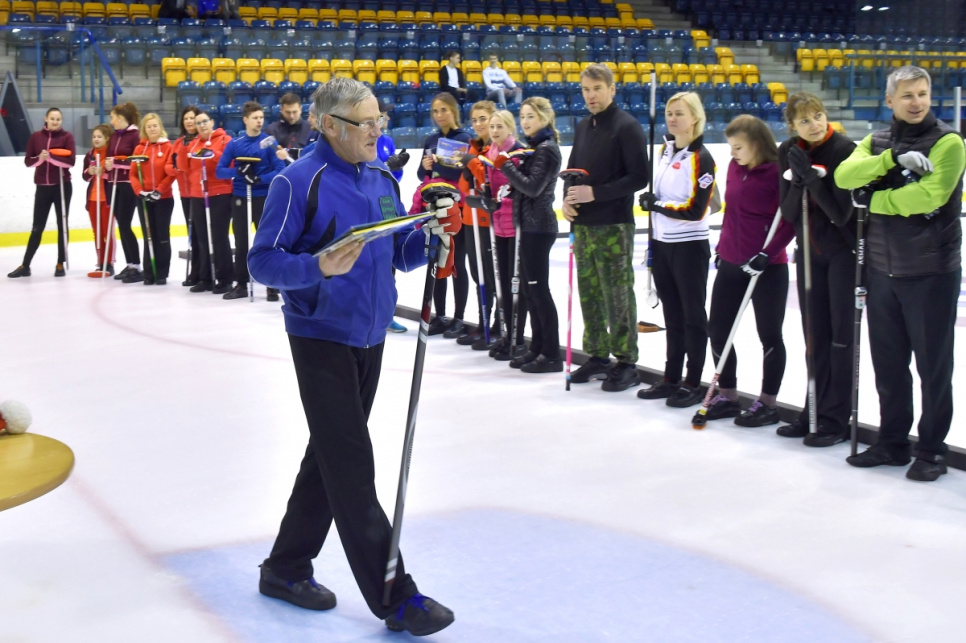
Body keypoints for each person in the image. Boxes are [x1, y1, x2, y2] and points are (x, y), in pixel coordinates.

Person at [248, 77, 456, 637]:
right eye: (365, 123)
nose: (376, 131)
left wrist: (432, 233)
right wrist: (316, 266)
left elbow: (398, 254)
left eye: (378, 120)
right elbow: (262, 262)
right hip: (320, 336)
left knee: (330, 459)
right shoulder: (298, 182)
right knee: (352, 469)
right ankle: (397, 598)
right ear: (329, 125)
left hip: (371, 336)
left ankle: (286, 567)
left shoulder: (382, 176)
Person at [835, 65, 965, 482]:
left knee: (933, 368)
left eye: (923, 94)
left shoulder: (948, 142)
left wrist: (871, 200)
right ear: (889, 100)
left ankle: (931, 450)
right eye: (907, 95)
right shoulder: (877, 141)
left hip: (931, 271)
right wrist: (889, 160)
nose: (917, 102)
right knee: (889, 366)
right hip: (881, 269)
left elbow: (928, 196)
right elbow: (843, 176)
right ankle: (892, 443)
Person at [776, 92, 858, 446]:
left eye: (819, 115)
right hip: (809, 254)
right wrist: (797, 183)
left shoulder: (844, 150)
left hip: (842, 255)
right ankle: (813, 411)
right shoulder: (787, 150)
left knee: (840, 340)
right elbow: (789, 213)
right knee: (814, 339)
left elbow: (841, 214)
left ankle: (836, 418)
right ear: (792, 126)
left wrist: (812, 180)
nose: (815, 125)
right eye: (805, 120)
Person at [701, 115, 794, 425]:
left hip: (767, 268)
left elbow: (789, 221)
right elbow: (732, 214)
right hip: (731, 262)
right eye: (730, 147)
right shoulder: (733, 168)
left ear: (756, 144)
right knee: (718, 331)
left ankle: (768, 404)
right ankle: (727, 396)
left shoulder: (778, 173)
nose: (733, 153)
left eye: (738, 147)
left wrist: (768, 254)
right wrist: (722, 246)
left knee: (769, 335)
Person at [563, 63, 649, 392]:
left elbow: (639, 177)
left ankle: (626, 361)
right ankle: (598, 355)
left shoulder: (627, 126)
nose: (591, 95)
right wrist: (567, 199)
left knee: (617, 293)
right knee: (590, 293)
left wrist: (596, 193)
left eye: (597, 88)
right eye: (586, 89)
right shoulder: (583, 126)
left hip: (614, 225)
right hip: (584, 225)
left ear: (612, 89)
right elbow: (572, 171)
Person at [636, 92, 715, 405]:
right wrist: (652, 204)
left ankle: (693, 382)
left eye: (679, 113)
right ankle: (671, 377)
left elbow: (696, 209)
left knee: (693, 316)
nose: (672, 118)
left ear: (694, 118)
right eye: (669, 113)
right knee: (672, 314)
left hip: (689, 246)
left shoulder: (702, 158)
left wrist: (657, 205)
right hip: (663, 244)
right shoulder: (664, 151)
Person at [497, 97, 563, 373]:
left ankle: (551, 353)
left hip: (538, 227)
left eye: (531, 117)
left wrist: (506, 166)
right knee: (530, 290)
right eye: (522, 117)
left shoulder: (547, 149)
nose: (524, 122)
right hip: (528, 225)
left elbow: (533, 187)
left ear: (544, 118)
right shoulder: (535, 148)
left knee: (538, 290)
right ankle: (537, 347)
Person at [215, 101, 286, 301]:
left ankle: (271, 286)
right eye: (255, 118)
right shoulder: (235, 144)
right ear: (245, 120)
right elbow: (219, 171)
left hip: (263, 198)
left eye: (261, 117)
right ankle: (241, 284)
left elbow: (279, 170)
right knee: (241, 242)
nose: (259, 121)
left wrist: (258, 179)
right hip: (240, 197)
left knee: (267, 241)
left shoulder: (269, 142)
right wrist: (237, 171)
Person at [415, 92, 473, 336]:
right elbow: (422, 175)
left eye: (444, 110)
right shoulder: (431, 139)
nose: (439, 115)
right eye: (435, 111)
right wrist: (425, 167)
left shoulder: (464, 139)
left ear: (454, 111)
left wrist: (438, 164)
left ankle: (459, 317)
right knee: (437, 260)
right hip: (435, 207)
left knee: (456, 262)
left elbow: (459, 174)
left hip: (456, 208)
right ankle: (440, 315)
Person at [8, 107, 75, 279]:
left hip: (62, 186)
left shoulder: (67, 137)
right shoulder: (36, 137)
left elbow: (71, 162)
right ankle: (25, 265)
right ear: (46, 118)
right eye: (52, 118)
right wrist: (40, 159)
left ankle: (60, 263)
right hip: (42, 188)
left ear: (61, 121)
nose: (55, 122)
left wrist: (52, 158)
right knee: (37, 227)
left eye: (58, 119)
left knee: (62, 225)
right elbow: (28, 162)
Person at [484, 109, 528, 360]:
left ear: (510, 128)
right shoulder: (490, 153)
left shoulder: (517, 152)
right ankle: (505, 334)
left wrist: (503, 200)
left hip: (514, 224)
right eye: (492, 126)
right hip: (497, 224)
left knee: (514, 284)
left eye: (499, 126)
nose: (494, 131)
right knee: (501, 283)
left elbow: (519, 187)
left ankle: (517, 337)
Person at [455, 100, 499, 349]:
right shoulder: (473, 147)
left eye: (483, 118)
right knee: (477, 272)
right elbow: (465, 188)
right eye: (474, 120)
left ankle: (498, 325)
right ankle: (483, 323)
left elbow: (489, 182)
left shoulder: (496, 148)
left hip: (489, 221)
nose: (479, 124)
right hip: (470, 218)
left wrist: (472, 163)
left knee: (492, 274)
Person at [185, 109, 233, 294]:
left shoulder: (225, 140)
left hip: (219, 193)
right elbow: (184, 166)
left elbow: (229, 164)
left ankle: (225, 278)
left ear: (212, 122)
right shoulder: (193, 144)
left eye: (205, 121)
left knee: (219, 237)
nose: (202, 125)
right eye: (198, 123)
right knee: (202, 238)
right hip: (198, 194)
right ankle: (206, 278)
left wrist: (212, 153)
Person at [128, 113, 176, 285]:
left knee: (162, 236)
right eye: (149, 126)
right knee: (149, 235)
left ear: (160, 127)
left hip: (163, 199)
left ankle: (162, 273)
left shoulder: (168, 147)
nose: (152, 129)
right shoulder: (140, 149)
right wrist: (139, 191)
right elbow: (133, 174)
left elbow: (172, 174)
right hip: (144, 199)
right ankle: (149, 273)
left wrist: (160, 190)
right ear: (144, 129)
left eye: (155, 125)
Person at [104, 102, 143, 283]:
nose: (111, 121)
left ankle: (136, 266)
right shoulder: (114, 136)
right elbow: (110, 158)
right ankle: (130, 264)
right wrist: (107, 165)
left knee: (125, 225)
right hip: (114, 184)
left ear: (120, 118)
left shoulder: (135, 135)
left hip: (128, 185)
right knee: (121, 225)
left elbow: (137, 162)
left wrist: (117, 163)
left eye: (113, 117)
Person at [166, 106, 202, 286]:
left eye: (192, 118)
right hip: (185, 193)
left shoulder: (201, 141)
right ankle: (194, 272)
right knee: (191, 234)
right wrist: (177, 169)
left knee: (200, 234)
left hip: (199, 192)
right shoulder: (179, 142)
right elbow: (169, 165)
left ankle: (201, 272)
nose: (189, 121)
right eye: (186, 118)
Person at [82, 124, 114, 276]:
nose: (96, 139)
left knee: (107, 232)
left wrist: (105, 172)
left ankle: (109, 262)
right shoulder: (90, 154)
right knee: (97, 232)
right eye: (94, 136)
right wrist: (89, 171)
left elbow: (114, 175)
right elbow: (84, 176)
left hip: (106, 199)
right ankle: (100, 261)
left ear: (107, 138)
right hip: (93, 199)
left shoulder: (110, 154)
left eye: (99, 137)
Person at [265, 93, 314, 163]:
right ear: (282, 110)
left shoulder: (311, 129)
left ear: (300, 109)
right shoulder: (271, 130)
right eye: (288, 112)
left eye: (294, 112)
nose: (291, 116)